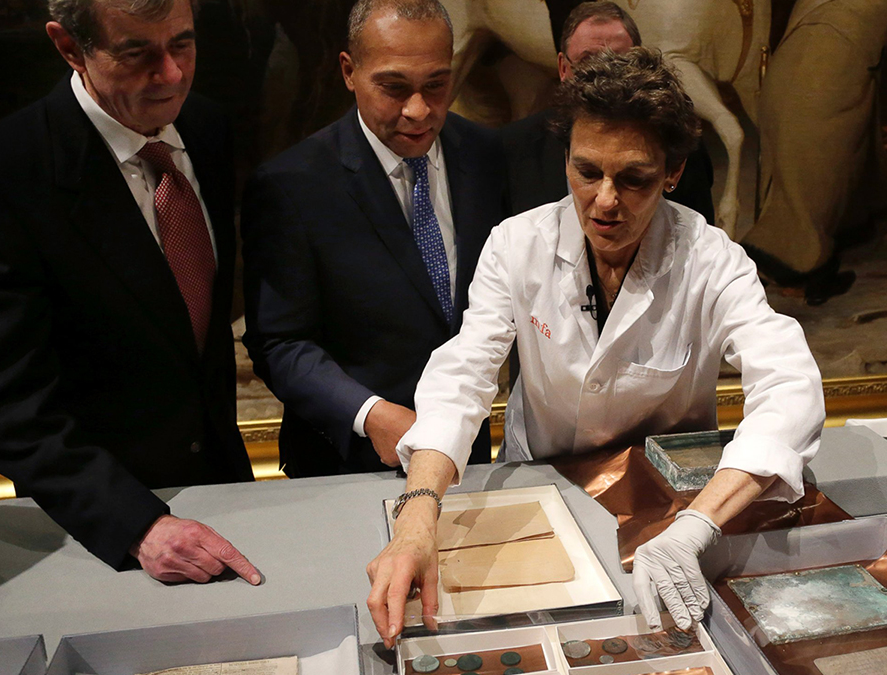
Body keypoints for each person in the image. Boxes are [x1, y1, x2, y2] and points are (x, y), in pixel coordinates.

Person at [367, 47, 824, 646]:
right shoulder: (516, 245)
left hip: (669, 509)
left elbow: (790, 385)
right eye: (587, 172)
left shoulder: (711, 260)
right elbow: (463, 375)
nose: (605, 200)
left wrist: (698, 525)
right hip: (544, 491)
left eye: (633, 178)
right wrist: (419, 511)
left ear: (672, 174)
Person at [0, 0, 261, 585]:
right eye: (137, 53)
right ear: (70, 47)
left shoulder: (208, 128)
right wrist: (138, 524)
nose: (171, 74)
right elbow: (8, 408)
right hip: (103, 531)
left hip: (231, 496)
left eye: (182, 44)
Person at [242, 0, 508, 477]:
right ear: (349, 71)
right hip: (345, 464)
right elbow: (280, 342)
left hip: (465, 458)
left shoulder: (488, 157)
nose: (418, 110)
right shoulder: (292, 184)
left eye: (436, 85)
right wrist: (369, 414)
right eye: (394, 87)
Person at [739, 0, 887, 305]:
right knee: (815, 197)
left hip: (777, 89)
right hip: (828, 89)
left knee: (792, 184)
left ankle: (795, 265)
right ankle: (806, 272)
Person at [499, 1, 715, 223]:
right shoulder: (513, 148)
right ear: (564, 68)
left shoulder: (678, 145)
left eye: (618, 63)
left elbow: (694, 240)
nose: (603, 76)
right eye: (587, 62)